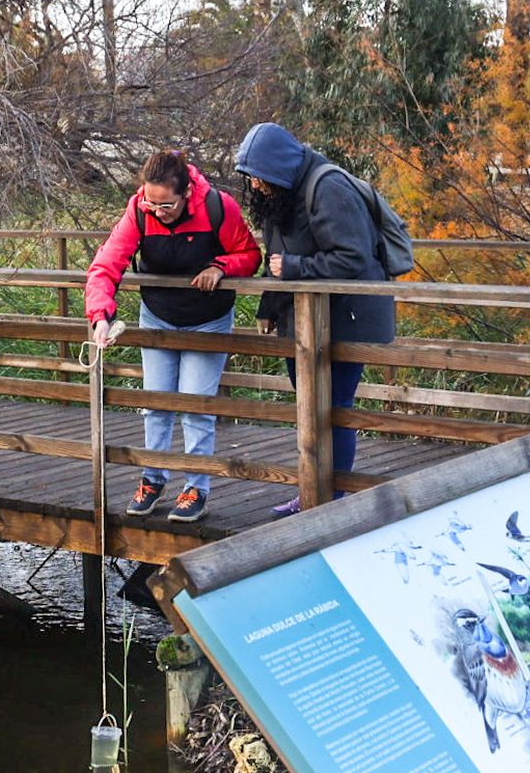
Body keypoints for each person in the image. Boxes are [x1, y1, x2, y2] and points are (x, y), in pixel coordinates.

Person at [85, 150, 261, 523]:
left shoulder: (218, 207)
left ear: (186, 194)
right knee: (156, 404)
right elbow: (105, 266)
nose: (157, 211)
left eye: (166, 205)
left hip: (207, 319)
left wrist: (220, 266)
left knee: (195, 406)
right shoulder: (138, 211)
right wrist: (100, 316)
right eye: (150, 203)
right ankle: (152, 479)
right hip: (158, 316)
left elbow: (249, 254)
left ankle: (196, 487)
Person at [233, 122, 396, 518]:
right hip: (302, 319)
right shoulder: (280, 196)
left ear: (279, 168)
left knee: (334, 407)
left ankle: (333, 498)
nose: (254, 185)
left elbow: (353, 256)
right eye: (250, 177)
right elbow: (276, 258)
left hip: (347, 316)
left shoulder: (329, 188)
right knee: (308, 406)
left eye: (259, 176)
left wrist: (295, 267)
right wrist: (269, 307)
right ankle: (312, 492)